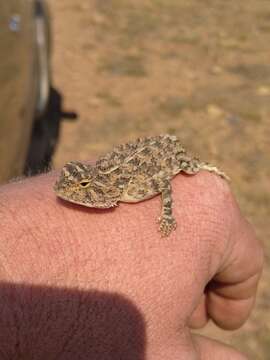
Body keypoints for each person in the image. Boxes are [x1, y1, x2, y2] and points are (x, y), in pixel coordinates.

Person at [0, 169, 263, 359]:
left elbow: (162, 180)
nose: (65, 191)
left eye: (81, 185)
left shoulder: (132, 191)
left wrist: (167, 213)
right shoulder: (107, 183)